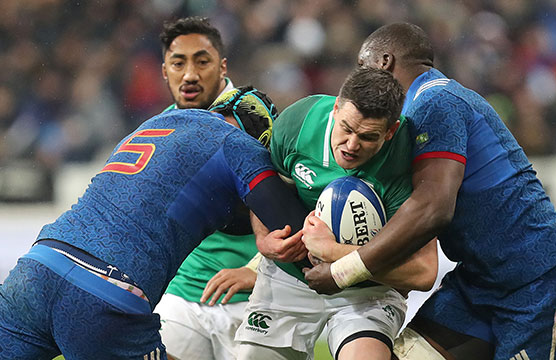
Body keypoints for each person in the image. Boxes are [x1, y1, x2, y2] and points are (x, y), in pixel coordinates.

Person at [302, 23, 556, 360]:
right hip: (479, 283)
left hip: (541, 281)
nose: (358, 79)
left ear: (384, 62)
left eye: (361, 65)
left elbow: (433, 208)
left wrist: (343, 268)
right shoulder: (416, 111)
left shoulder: (435, 100)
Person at [0, 87, 310, 360]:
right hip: (106, 291)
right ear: (263, 137)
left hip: (36, 270)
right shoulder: (241, 145)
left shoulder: (156, 123)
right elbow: (292, 227)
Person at [235, 67, 439, 360]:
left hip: (368, 289)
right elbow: (266, 193)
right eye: (346, 128)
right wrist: (264, 240)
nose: (352, 145)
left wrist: (332, 252)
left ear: (391, 131)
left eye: (368, 137)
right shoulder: (297, 124)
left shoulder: (409, 160)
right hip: (289, 279)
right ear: (336, 108)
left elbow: (423, 271)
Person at [153, 16, 261, 360]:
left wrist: (256, 271)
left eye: (202, 61)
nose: (190, 74)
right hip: (182, 297)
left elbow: (289, 213)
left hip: (255, 298)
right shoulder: (159, 133)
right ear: (164, 71)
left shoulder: (258, 123)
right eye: (178, 62)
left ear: (222, 66)